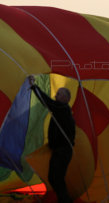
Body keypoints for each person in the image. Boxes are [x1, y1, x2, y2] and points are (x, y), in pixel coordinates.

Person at [28, 75, 76, 203]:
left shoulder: (63, 109)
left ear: (65, 98)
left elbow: (48, 102)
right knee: (54, 178)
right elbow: (51, 103)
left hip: (63, 152)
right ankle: (64, 199)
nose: (56, 96)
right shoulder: (61, 110)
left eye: (58, 94)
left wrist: (34, 86)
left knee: (56, 177)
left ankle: (65, 200)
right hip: (59, 151)